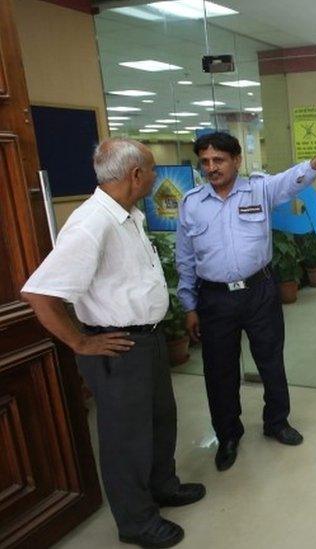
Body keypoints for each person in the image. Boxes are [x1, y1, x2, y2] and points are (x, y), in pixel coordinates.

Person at [21, 138, 205, 548]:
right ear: (136, 175)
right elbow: (39, 294)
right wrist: (80, 343)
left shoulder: (129, 214)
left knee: (160, 421)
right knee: (127, 438)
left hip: (149, 340)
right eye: (154, 170)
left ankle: (163, 487)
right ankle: (136, 522)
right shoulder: (92, 223)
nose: (157, 177)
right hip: (118, 347)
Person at [176, 132, 316, 471]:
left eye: (218, 160)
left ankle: (276, 422)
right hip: (215, 298)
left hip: (259, 292)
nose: (211, 168)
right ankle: (228, 435)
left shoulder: (259, 189)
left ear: (236, 160)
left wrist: (313, 164)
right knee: (219, 371)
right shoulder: (191, 203)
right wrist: (189, 305)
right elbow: (185, 258)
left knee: (270, 360)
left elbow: (289, 182)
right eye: (205, 161)